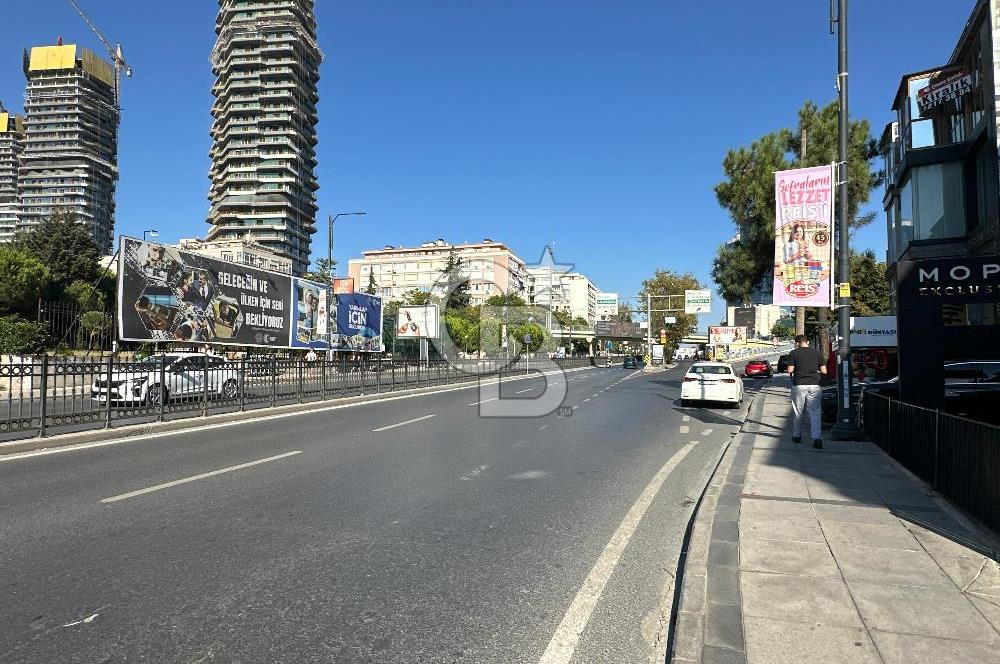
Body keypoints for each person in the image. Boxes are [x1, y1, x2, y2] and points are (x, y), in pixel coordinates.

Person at [786, 334, 827, 449]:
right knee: (815, 412)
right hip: (814, 385)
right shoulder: (817, 353)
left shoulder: (794, 353)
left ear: (797, 343)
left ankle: (797, 436)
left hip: (799, 385)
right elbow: (824, 371)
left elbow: (790, 370)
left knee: (798, 411)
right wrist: (814, 370)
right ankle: (816, 438)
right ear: (807, 342)